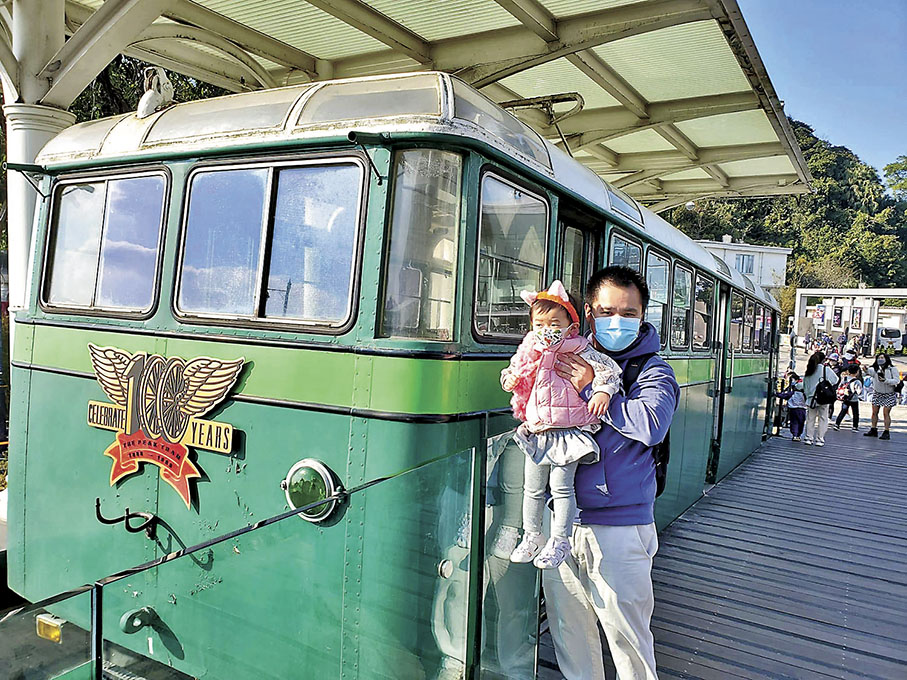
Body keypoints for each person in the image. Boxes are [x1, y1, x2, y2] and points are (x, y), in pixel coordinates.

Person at [542, 266, 679, 680]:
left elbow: (651, 422)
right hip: (561, 524)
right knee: (571, 636)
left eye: (628, 313)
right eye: (606, 312)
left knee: (628, 643)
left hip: (620, 528)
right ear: (588, 311)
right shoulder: (566, 356)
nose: (616, 322)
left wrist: (592, 388)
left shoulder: (653, 371)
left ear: (643, 315)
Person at [501, 280, 622, 570]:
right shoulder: (531, 350)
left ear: (571, 325)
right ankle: (532, 535)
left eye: (555, 322)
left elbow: (609, 372)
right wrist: (509, 378)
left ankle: (560, 539)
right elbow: (516, 370)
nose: (546, 329)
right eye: (539, 324)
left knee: (561, 487)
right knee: (531, 487)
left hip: (568, 432)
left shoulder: (580, 349)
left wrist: (603, 391)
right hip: (539, 429)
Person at [802, 350, 839, 446]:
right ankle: (820, 439)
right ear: (823, 360)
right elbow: (836, 380)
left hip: (811, 398)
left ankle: (808, 438)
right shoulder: (825, 369)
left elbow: (805, 385)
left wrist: (808, 394)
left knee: (810, 418)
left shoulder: (809, 369)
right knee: (823, 418)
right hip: (823, 397)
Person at [863, 354, 900, 440]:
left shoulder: (892, 369)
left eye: (882, 358)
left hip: (889, 393)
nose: (880, 359)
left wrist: (886, 380)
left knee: (886, 413)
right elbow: (869, 371)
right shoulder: (875, 368)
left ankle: (886, 431)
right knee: (874, 412)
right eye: (879, 358)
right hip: (878, 392)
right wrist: (865, 370)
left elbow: (896, 380)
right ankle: (873, 428)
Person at [776, 372, 806, 441]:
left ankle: (795, 435)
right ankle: (798, 435)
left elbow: (784, 395)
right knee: (801, 423)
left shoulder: (792, 393)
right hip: (802, 410)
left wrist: (776, 394)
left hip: (793, 409)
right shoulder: (805, 394)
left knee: (794, 422)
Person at [833, 365, 863, 431]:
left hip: (845, 398)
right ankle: (855, 427)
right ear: (857, 372)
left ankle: (837, 424)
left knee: (843, 411)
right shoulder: (857, 381)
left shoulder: (845, 378)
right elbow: (859, 391)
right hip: (854, 399)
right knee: (855, 413)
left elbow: (840, 386)